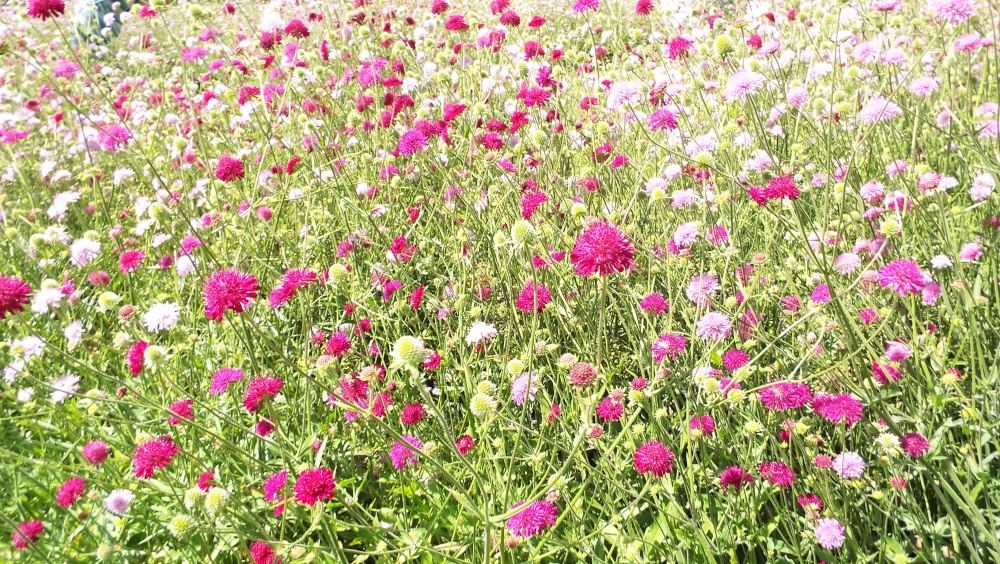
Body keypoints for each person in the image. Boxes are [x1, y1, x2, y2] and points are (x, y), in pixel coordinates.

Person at [69, 0, 142, 48]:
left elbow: (76, 42)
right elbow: (130, 8)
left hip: (101, 48)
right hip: (123, 39)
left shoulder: (77, 9)